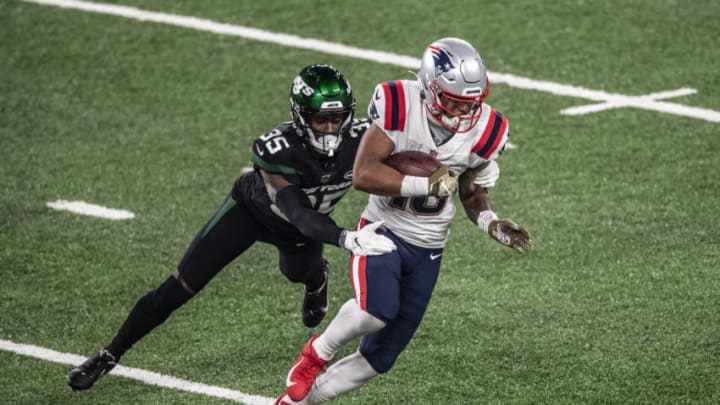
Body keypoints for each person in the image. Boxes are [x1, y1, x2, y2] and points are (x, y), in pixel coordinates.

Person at [67, 64, 397, 391]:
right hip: (251, 212)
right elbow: (297, 211)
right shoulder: (277, 148)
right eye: (319, 119)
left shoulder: (364, 139)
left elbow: (408, 150)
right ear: (300, 116)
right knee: (180, 286)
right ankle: (108, 354)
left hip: (303, 231)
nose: (328, 129)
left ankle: (317, 279)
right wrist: (344, 237)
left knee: (300, 272)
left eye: (336, 118)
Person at [275, 38, 532, 404]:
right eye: (454, 100)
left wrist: (490, 221)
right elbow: (363, 174)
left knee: (380, 358)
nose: (463, 110)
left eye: (470, 102)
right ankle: (316, 353)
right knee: (375, 310)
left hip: (429, 247)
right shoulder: (399, 104)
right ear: (428, 87)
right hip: (384, 231)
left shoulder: (487, 129)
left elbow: (473, 193)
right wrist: (424, 183)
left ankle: (295, 403)